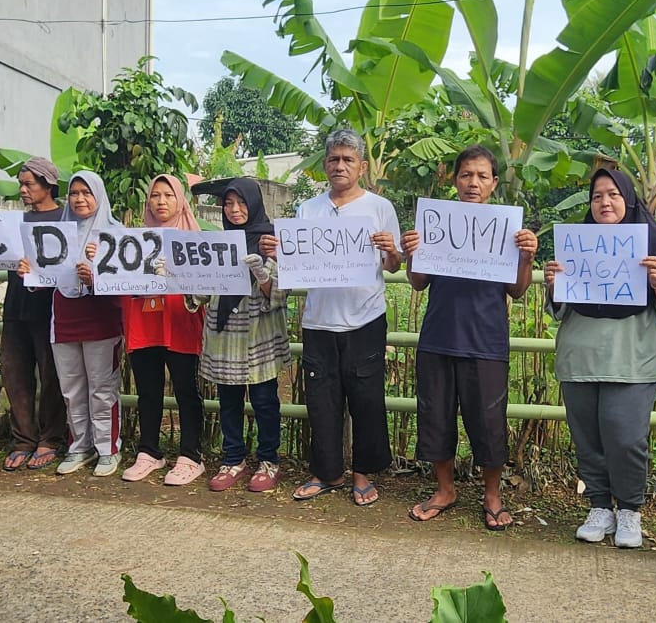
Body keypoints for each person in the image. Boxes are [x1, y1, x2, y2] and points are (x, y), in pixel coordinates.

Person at [544, 168, 656, 549]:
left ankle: (629, 510)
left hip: (632, 356)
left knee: (626, 438)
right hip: (580, 355)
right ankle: (598, 506)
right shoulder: (576, 245)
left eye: (612, 194)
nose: (604, 203)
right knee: (587, 437)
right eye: (596, 197)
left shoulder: (651, 243)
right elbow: (558, 308)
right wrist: (554, 283)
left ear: (628, 199)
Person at [261, 129, 402, 506]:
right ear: (325, 165)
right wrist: (278, 251)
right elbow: (297, 264)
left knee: (366, 399)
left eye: (348, 159)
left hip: (365, 318)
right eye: (334, 159)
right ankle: (327, 472)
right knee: (321, 401)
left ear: (362, 167)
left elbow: (392, 266)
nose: (340, 166)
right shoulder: (308, 209)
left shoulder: (379, 208)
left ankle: (363, 473)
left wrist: (391, 249)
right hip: (318, 320)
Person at [401, 146, 536, 531]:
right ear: (454, 180)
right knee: (435, 418)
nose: (473, 183)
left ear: (494, 182)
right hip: (439, 337)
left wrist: (526, 258)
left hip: (486, 341)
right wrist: (414, 252)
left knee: (489, 422)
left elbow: (518, 290)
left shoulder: (508, 229)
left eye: (481, 176)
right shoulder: (436, 224)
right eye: (465, 175)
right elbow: (417, 282)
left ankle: (492, 496)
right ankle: (445, 490)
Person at [190, 178, 290, 493]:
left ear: (255, 203)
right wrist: (181, 276)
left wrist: (264, 274)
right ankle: (232, 458)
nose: (234, 210)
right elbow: (202, 294)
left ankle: (268, 459)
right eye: (228, 204)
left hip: (259, 331)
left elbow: (280, 294)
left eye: (241, 203)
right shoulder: (218, 242)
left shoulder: (271, 238)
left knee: (264, 400)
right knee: (228, 400)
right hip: (224, 331)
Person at [26, 170, 125, 477]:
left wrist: (96, 277)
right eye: (74, 193)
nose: (80, 199)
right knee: (71, 389)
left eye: (87, 193)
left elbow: (125, 283)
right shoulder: (57, 232)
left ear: (99, 195)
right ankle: (79, 446)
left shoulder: (116, 233)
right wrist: (29, 272)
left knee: (102, 389)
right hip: (64, 320)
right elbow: (45, 278)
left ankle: (108, 449)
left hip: (102, 322)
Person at [120, 174, 206, 485]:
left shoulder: (195, 239)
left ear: (180, 200)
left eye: (168, 195)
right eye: (155, 195)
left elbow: (206, 283)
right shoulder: (135, 241)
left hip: (180, 321)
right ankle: (150, 452)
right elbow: (120, 280)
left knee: (185, 389)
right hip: (144, 320)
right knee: (148, 390)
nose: (161, 202)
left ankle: (191, 455)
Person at [0, 157, 67, 472]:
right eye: (21, 184)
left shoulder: (66, 218)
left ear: (48, 185)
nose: (24, 190)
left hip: (49, 308)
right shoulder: (14, 223)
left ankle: (51, 438)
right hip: (15, 306)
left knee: (51, 376)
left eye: (29, 184)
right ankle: (23, 439)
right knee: (14, 374)